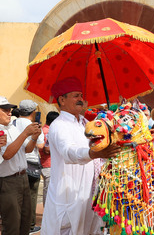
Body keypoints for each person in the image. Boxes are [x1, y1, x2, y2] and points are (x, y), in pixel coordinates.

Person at [41, 77, 122, 235]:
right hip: (68, 197)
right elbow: (69, 152)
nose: (80, 99)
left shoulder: (85, 123)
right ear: (62, 100)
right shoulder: (58, 126)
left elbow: (101, 151)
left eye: (81, 95)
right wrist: (92, 153)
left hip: (88, 197)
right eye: (75, 96)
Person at [0, 96, 41, 235]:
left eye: (10, 109)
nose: (9, 112)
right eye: (5, 110)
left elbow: (27, 149)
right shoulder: (4, 130)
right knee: (12, 224)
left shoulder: (12, 127)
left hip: (22, 177)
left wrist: (34, 137)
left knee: (25, 221)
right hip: (8, 181)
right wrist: (25, 134)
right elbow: (7, 155)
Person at [15, 99, 45, 234]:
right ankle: (31, 225)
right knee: (31, 196)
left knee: (17, 197)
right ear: (33, 112)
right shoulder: (34, 126)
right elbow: (40, 145)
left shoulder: (12, 123)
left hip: (16, 164)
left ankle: (18, 224)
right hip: (31, 163)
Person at [39, 111, 59, 206]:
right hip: (48, 164)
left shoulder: (43, 129)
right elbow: (47, 150)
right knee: (49, 191)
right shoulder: (48, 132)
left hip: (46, 164)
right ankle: (46, 214)